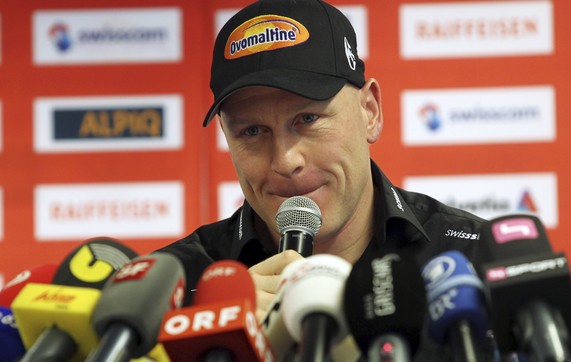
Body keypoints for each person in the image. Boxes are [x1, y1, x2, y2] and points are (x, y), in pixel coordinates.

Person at [157, 0, 487, 360]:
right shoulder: (171, 293)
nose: (285, 160)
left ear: (370, 112)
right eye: (252, 131)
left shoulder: (476, 260)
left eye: (308, 118)